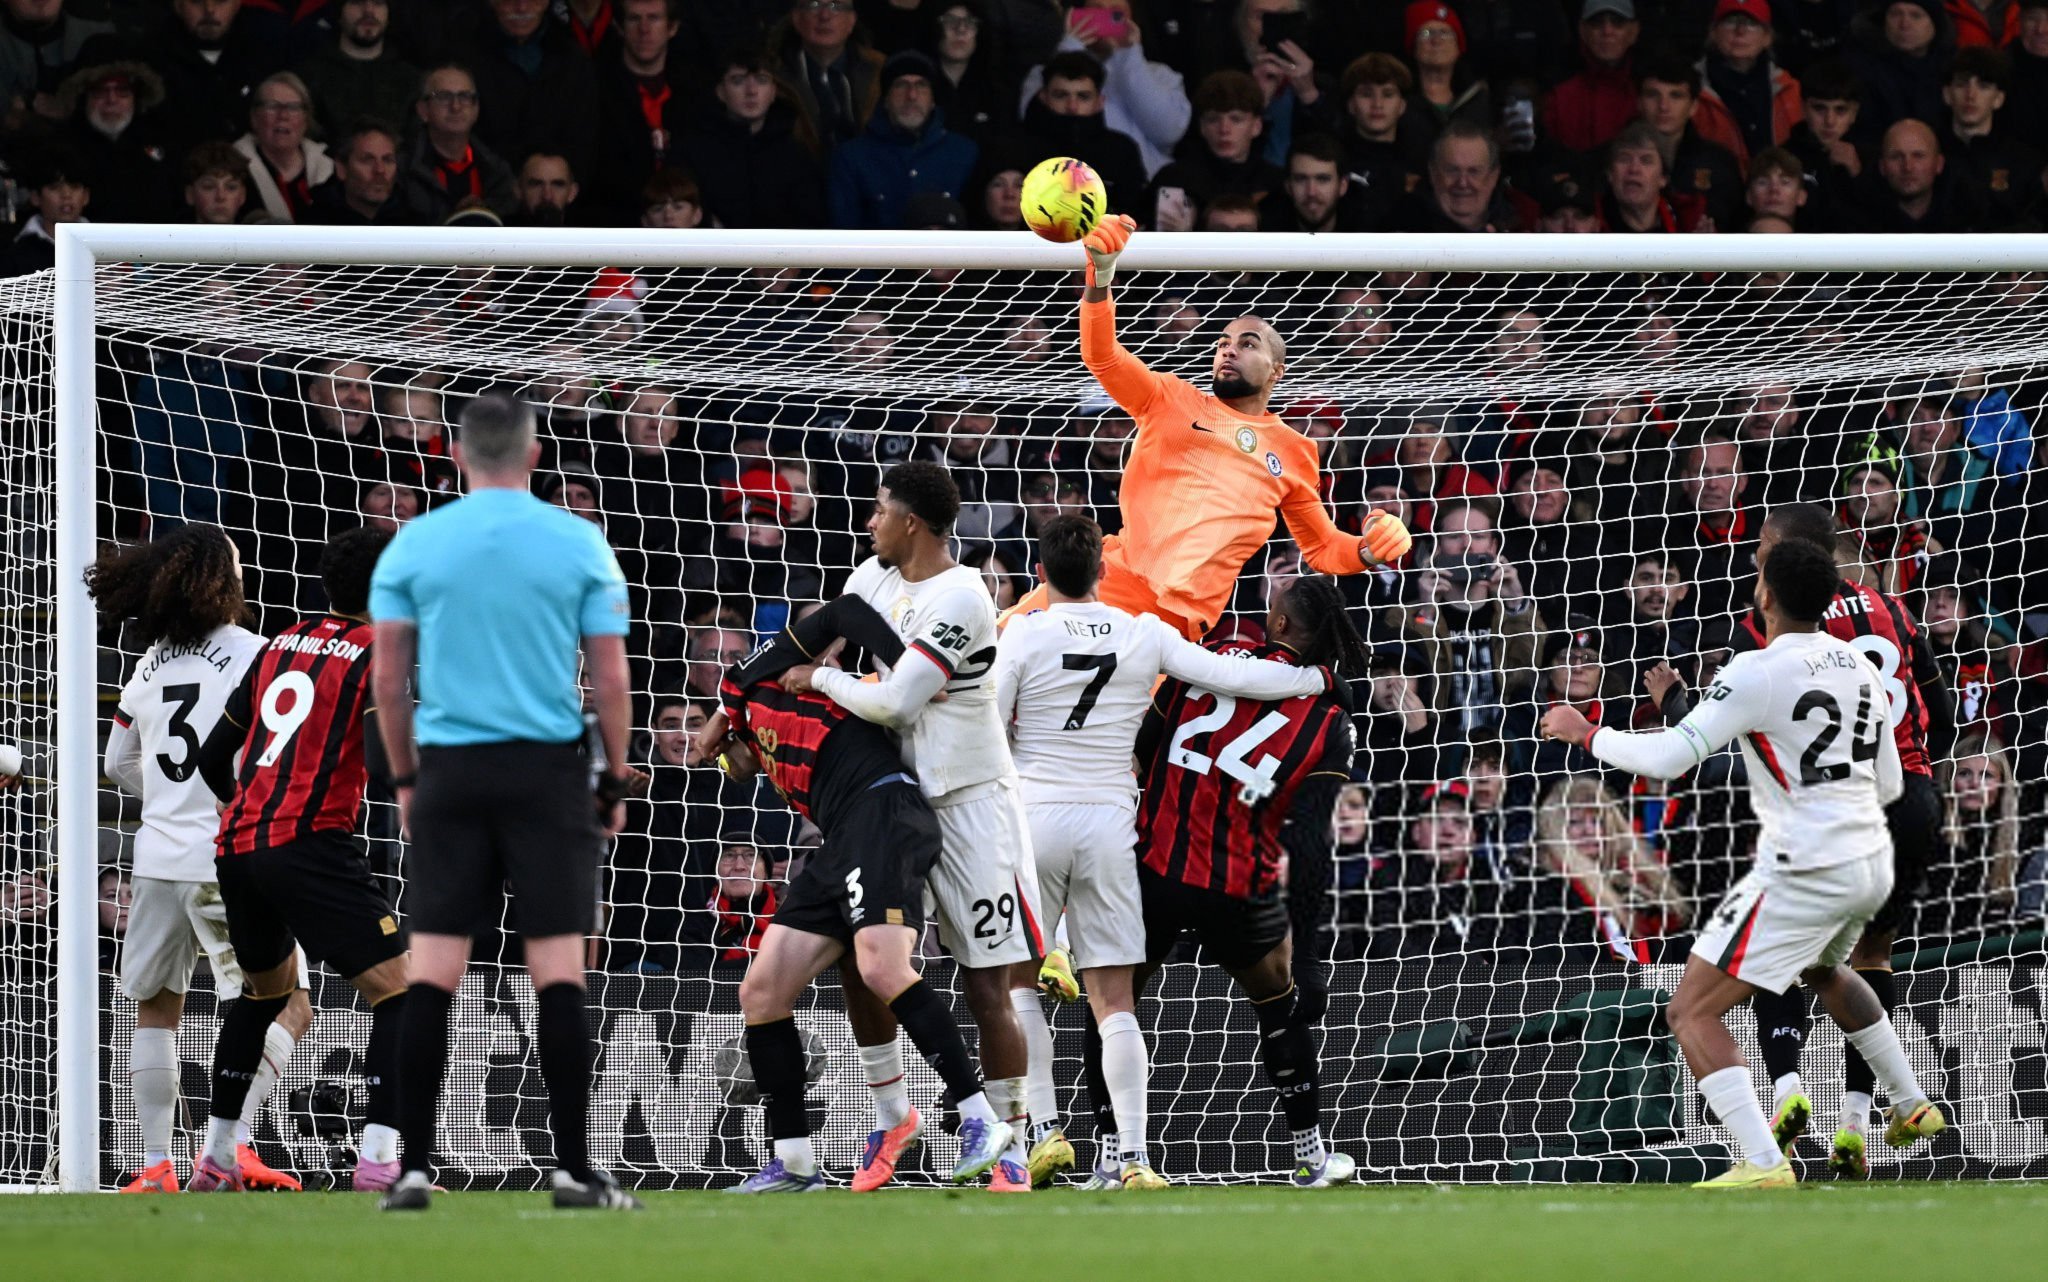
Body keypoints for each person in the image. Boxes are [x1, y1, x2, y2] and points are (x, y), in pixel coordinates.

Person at [1542, 539, 1947, 1188]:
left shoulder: (1756, 670)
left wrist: (1585, 732)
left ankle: (1763, 1163)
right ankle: (1909, 1101)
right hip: (1869, 859)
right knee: (1824, 969)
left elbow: (1672, 757)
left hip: (1805, 867)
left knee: (1690, 1012)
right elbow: (1891, 777)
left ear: (1765, 597)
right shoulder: (1859, 665)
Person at [993, 515, 1330, 1189]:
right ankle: (1135, 1158)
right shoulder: (1143, 632)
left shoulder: (1022, 633)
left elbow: (990, 726)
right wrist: (1315, 681)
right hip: (1112, 827)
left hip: (1037, 816)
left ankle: (1044, 1131)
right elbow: (1230, 675)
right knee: (1115, 998)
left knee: (1018, 983)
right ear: (1104, 572)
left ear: (1040, 575)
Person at [368, 393, 644, 1212]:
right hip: (547, 773)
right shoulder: (578, 541)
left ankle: (412, 1171)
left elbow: (389, 682)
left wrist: (407, 780)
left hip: (451, 771)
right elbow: (612, 679)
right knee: (558, 971)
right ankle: (575, 1171)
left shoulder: (415, 543)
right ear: (534, 456)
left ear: (457, 455)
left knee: (433, 972)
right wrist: (613, 778)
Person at [1645, 502, 1951, 1178]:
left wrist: (1665, 708)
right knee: (1860, 957)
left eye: (1763, 543)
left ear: (1784, 554)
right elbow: (1942, 712)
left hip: (1824, 815)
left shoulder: (1776, 623)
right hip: (1907, 797)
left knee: (1772, 955)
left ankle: (1783, 1095)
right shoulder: (1892, 610)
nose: (1755, 553)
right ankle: (1867, 1118)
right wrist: (1923, 782)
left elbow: (1719, 733)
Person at [777, 460, 1044, 1193]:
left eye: (880, 509)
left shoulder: (963, 596)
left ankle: (1011, 1143)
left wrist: (822, 680)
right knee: (860, 959)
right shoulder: (872, 577)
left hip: (970, 805)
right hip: (888, 802)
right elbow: (823, 638)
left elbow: (897, 702)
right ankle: (893, 1117)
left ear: (912, 522)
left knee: (987, 986)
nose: (870, 521)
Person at [697, 593, 1021, 1192]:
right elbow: (732, 760)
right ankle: (795, 1162)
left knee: (880, 967)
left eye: (718, 750)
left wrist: (899, 666)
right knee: (761, 991)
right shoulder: (759, 744)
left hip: (885, 809)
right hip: (842, 837)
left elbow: (843, 610)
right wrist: (722, 751)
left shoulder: (749, 680)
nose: (724, 761)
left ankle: (980, 1119)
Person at [1002, 214, 1412, 641]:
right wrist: (1100, 278)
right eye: (1223, 344)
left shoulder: (1295, 451)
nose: (1229, 351)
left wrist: (1369, 549)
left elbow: (1323, 547)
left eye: (1247, 343)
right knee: (993, 652)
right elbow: (1102, 356)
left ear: (1277, 370)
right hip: (1112, 579)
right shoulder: (1171, 398)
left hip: (1176, 620)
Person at [181, 529, 410, 1194]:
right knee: (403, 993)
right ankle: (379, 1162)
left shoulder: (278, 643)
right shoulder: (378, 652)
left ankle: (217, 1158)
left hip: (239, 846)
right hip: (310, 844)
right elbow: (387, 763)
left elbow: (211, 756)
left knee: (263, 996)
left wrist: (246, 807)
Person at [85, 526, 307, 1194]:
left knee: (157, 1010)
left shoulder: (150, 663)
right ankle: (230, 1148)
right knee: (288, 1003)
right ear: (221, 580)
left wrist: (167, 797)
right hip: (227, 858)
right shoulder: (258, 654)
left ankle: (156, 1165)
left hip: (155, 859)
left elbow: (116, 763)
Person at [1125, 574, 1366, 1188]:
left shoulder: (1209, 659)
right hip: (1238, 884)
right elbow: (1309, 840)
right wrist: (1308, 955)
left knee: (1116, 1003)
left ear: (1279, 624)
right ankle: (1311, 1156)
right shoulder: (1330, 720)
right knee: (1278, 1003)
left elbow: (1142, 751)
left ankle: (1116, 1157)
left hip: (1155, 866)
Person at [828, 49, 977, 229]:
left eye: (921, 85)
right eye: (901, 85)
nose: (911, 96)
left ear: (933, 100)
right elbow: (844, 232)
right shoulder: (851, 158)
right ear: (885, 99)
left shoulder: (964, 153)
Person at [398, 64, 517, 223]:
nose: (456, 106)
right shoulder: (401, 169)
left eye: (465, 97)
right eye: (444, 97)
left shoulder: (497, 171)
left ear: (476, 109)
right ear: (423, 110)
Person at [296, 0, 420, 143]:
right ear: (339, 13)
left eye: (378, 3)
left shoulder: (411, 81)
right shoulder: (308, 78)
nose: (368, 10)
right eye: (357, 2)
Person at [232, 72, 330, 224]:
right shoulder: (234, 171)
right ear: (254, 118)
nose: (283, 115)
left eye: (293, 107)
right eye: (272, 106)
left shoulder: (330, 169)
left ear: (306, 119)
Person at [305, 121, 409, 226]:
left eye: (387, 160)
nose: (380, 170)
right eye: (368, 160)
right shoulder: (313, 226)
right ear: (342, 169)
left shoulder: (412, 222)